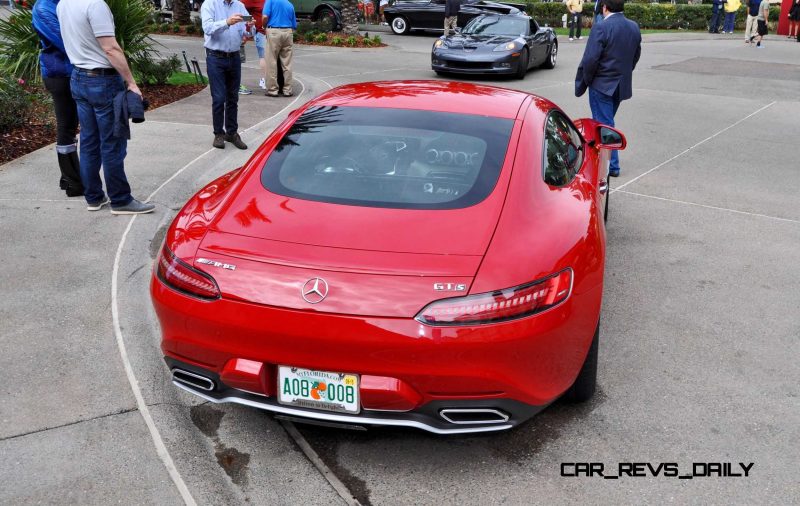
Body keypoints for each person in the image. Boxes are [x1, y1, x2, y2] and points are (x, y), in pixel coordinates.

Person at [57, 0, 154, 214]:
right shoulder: (95, 5)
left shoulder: (64, 3)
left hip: (79, 77)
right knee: (112, 143)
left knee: (90, 141)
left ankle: (94, 197)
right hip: (102, 81)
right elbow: (110, 48)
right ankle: (120, 200)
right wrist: (131, 82)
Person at [575, 0, 641, 178]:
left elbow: (590, 60)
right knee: (606, 122)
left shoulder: (601, 27)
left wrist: (588, 80)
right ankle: (605, 160)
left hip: (602, 85)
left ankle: (612, 166)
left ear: (604, 7)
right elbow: (635, 56)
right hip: (620, 85)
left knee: (605, 126)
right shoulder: (634, 27)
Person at [32, 0, 83, 198]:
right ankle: (72, 181)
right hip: (59, 74)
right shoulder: (44, 8)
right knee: (67, 127)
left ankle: (70, 177)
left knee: (70, 126)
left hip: (68, 71)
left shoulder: (60, 4)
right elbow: (64, 41)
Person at [201, 0, 249, 149]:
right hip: (215, 57)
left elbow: (245, 31)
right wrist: (227, 22)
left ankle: (232, 133)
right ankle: (218, 134)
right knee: (219, 98)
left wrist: (250, 27)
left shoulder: (240, 6)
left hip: (234, 57)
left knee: (233, 97)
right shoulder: (209, 4)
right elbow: (208, 28)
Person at [262, 0, 296, 97]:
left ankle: (273, 90)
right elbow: (294, 24)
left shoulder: (270, 1)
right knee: (287, 63)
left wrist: (264, 26)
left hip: (274, 31)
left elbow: (265, 16)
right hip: (288, 32)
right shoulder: (290, 4)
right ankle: (287, 90)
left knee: (271, 61)